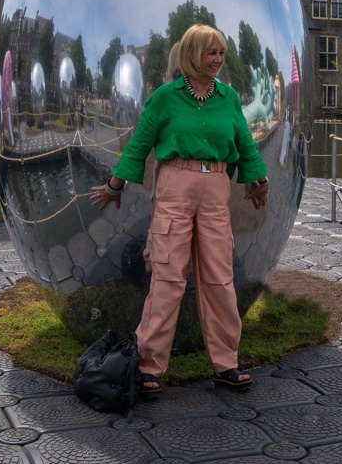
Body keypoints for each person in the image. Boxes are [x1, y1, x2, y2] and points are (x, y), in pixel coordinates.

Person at [90, 24, 269, 398]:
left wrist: (257, 180)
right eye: (211, 53)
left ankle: (226, 364)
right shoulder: (166, 98)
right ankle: (148, 365)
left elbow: (244, 142)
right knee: (168, 276)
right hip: (175, 186)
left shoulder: (228, 98)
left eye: (221, 53)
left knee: (220, 277)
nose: (218, 60)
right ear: (192, 55)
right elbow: (139, 143)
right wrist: (114, 185)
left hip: (215, 189)